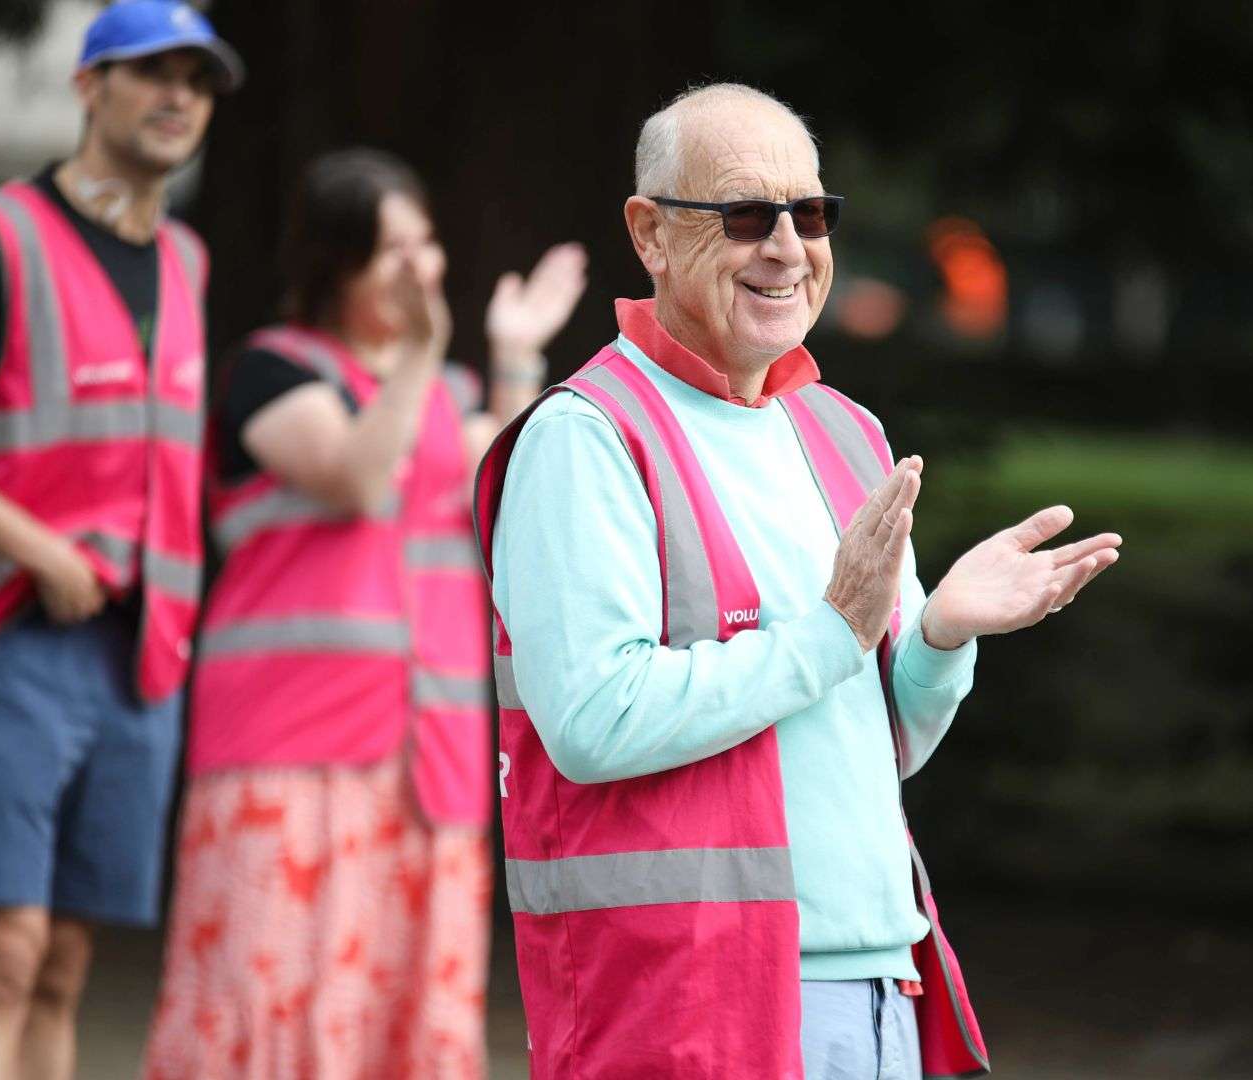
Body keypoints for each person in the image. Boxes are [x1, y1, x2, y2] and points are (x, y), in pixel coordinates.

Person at [476, 83, 1122, 1079]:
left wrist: (943, 637)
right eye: (745, 215)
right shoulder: (586, 435)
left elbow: (882, 747)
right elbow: (595, 719)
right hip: (689, 998)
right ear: (650, 234)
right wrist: (829, 634)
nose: (787, 246)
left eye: (810, 213)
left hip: (880, 975)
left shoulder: (844, 428)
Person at [0, 4, 240, 1078]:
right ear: (86, 87)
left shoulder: (188, 262)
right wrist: (41, 552)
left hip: (136, 654)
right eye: (148, 72)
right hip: (0, 638)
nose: (176, 97)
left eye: (196, 82)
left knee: (64, 962)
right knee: (0, 954)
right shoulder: (1, 239)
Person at [140, 147, 586, 1080]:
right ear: (332, 263)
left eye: (423, 245)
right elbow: (352, 475)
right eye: (390, 251)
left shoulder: (453, 394)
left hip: (429, 755)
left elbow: (512, 492)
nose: (418, 271)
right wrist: (424, 351)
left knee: (408, 1005)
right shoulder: (274, 370)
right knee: (264, 994)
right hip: (285, 745)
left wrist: (511, 352)